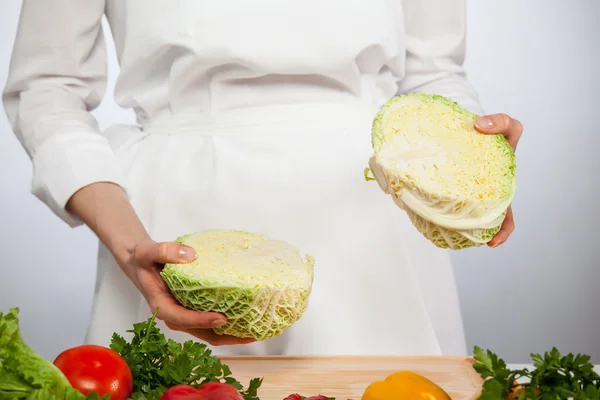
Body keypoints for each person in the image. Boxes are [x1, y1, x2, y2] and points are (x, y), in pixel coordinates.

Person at [3, 0, 522, 357]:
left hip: (372, 214)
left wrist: (469, 161)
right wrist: (130, 244)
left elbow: (433, 73)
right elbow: (47, 87)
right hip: (175, 225)